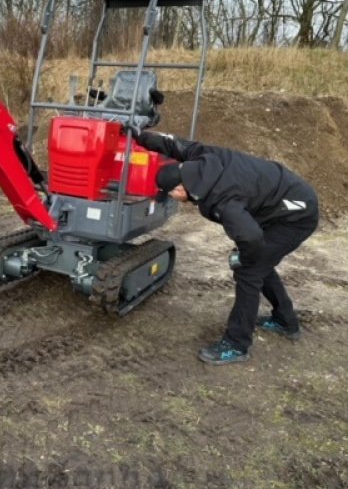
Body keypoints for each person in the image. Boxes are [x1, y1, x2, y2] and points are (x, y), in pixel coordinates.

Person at [137, 130, 319, 365]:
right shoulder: (202, 157)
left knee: (249, 270)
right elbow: (175, 145)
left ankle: (236, 344)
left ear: (181, 190)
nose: (172, 197)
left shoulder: (223, 201)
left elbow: (251, 238)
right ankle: (285, 320)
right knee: (260, 263)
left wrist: (242, 256)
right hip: (280, 200)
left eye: (171, 194)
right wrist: (140, 136)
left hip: (296, 216)